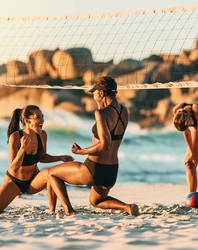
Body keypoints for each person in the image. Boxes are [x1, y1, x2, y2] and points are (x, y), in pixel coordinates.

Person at [46, 76, 139, 216]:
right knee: (96, 201)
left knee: (51, 173)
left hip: (94, 169)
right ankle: (128, 207)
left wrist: (81, 151)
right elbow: (112, 138)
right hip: (112, 171)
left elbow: (105, 145)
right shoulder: (124, 111)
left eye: (94, 93)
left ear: (101, 93)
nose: (93, 97)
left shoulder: (101, 113)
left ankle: (68, 210)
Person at [0, 105, 74, 214]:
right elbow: (14, 167)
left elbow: (42, 157)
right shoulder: (15, 137)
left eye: (42, 117)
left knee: (52, 174)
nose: (42, 120)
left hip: (33, 180)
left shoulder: (42, 135)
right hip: (14, 182)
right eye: (38, 117)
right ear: (27, 121)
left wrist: (60, 157)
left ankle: (58, 210)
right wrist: (22, 149)